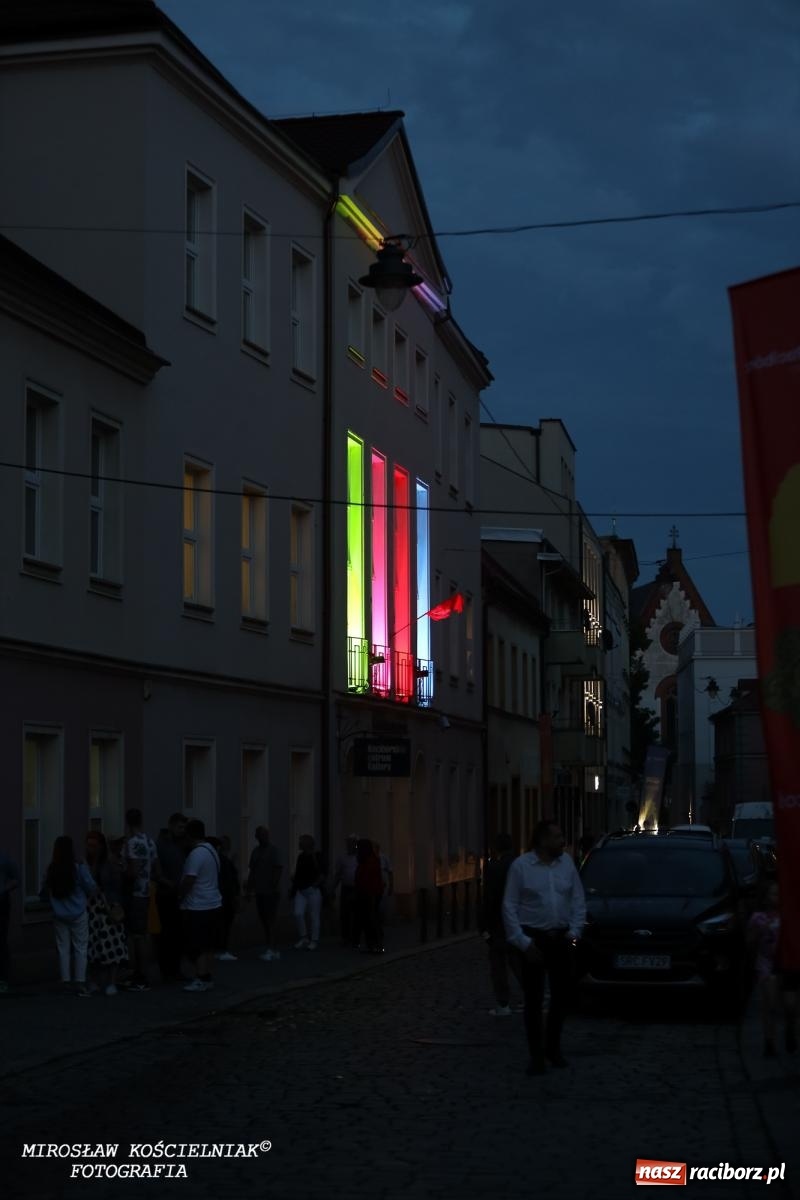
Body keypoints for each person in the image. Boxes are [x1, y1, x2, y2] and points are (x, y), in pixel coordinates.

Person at [503, 819, 586, 1075]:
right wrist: (523, 942)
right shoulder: (521, 867)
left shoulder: (567, 864)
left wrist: (573, 933)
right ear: (542, 840)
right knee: (534, 999)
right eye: (557, 836)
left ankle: (553, 1048)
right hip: (533, 939)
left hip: (560, 938)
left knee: (561, 998)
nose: (563, 841)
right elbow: (509, 906)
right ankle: (536, 1055)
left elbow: (577, 900)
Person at [39, 836, 97, 996]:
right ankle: (79, 982)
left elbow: (43, 891)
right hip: (78, 913)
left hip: (59, 914)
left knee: (63, 948)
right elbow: (91, 886)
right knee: (80, 948)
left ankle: (65, 981)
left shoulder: (51, 869)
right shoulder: (77, 867)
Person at [747, 881, 795, 1057]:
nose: (776, 897)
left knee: (790, 1005)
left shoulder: (789, 916)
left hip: (787, 963)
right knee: (770, 1004)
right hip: (767, 964)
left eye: (779, 893)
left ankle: (790, 1028)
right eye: (773, 894)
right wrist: (760, 931)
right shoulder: (758, 918)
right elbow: (750, 942)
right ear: (766, 897)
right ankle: (770, 1042)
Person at [478, 832, 520, 1016]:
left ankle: (503, 1004)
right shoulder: (520, 866)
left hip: (499, 923)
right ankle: (534, 995)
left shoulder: (494, 868)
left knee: (499, 964)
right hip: (519, 922)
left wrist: (484, 927)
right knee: (519, 961)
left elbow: (489, 899)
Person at [119, 808, 160, 991]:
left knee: (137, 936)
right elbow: (156, 869)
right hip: (146, 891)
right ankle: (141, 974)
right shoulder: (149, 841)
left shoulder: (132, 843)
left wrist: (123, 873)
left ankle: (139, 976)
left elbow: (133, 871)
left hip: (135, 894)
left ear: (127, 822)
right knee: (143, 934)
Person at [179, 819, 223, 992]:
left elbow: (190, 878)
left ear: (190, 835)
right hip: (213, 902)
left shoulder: (196, 854)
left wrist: (180, 893)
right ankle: (206, 976)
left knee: (196, 944)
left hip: (198, 905)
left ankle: (200, 977)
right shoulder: (211, 850)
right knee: (207, 945)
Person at [85, 831, 128, 995]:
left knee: (113, 944)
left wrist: (115, 904)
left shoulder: (109, 863)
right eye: (88, 845)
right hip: (93, 910)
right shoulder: (86, 863)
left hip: (109, 908)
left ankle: (111, 982)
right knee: (93, 945)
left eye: (94, 846)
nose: (90, 849)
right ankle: (94, 980)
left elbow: (116, 885)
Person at [156, 813, 188, 981]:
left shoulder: (180, 845)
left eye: (184, 828)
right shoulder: (161, 844)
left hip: (178, 896)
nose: (182, 831)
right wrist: (169, 883)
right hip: (165, 896)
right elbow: (157, 871)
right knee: (166, 935)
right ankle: (167, 970)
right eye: (180, 827)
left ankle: (175, 969)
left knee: (178, 935)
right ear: (171, 825)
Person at [244, 826, 284, 962]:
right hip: (260, 891)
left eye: (265, 834)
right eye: (261, 835)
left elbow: (278, 869)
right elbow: (252, 872)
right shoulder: (255, 852)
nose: (263, 837)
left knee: (270, 920)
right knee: (264, 920)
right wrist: (249, 890)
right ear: (257, 837)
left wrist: (273, 886)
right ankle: (270, 947)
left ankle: (272, 949)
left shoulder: (273, 850)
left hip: (271, 892)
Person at [290, 835, 325, 951]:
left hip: (312, 890)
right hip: (301, 890)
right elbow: (299, 872)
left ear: (307, 844)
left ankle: (314, 940)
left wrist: (315, 885)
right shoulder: (300, 857)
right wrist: (294, 882)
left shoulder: (316, 856)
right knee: (298, 913)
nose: (299, 843)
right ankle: (304, 937)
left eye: (301, 842)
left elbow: (322, 873)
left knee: (314, 916)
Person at [352, 838, 384, 954]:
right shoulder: (366, 859)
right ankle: (372, 944)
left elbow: (368, 879)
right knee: (368, 920)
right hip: (366, 894)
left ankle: (375, 945)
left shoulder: (370, 860)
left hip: (370, 894)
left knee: (371, 920)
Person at [212, 835, 241, 961]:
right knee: (224, 925)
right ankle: (222, 950)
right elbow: (229, 880)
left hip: (223, 897)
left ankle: (220, 950)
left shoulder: (222, 859)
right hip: (225, 897)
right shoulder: (223, 860)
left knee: (223, 925)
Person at [332, 835, 359, 946]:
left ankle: (355, 936)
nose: (350, 846)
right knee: (345, 913)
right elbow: (338, 874)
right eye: (348, 843)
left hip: (358, 888)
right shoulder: (342, 858)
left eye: (352, 843)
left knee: (357, 913)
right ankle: (345, 937)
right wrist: (333, 888)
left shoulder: (360, 857)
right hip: (346, 888)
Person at [0, 850, 20, 994]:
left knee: (0, 940)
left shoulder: (4, 858)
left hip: (1, 903)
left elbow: (16, 879)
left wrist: (3, 889)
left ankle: (2, 979)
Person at [374, 841, 394, 947]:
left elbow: (390, 872)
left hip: (383, 888)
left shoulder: (384, 858)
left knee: (381, 909)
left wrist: (391, 886)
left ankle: (379, 927)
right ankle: (376, 929)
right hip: (373, 888)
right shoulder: (369, 858)